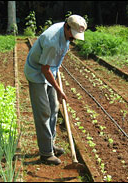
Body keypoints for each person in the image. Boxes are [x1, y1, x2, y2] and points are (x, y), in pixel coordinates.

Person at [24, 15, 87, 165]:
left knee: (54, 107)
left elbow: (53, 64)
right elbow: (44, 69)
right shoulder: (52, 41)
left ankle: (50, 144)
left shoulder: (65, 32)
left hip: (49, 71)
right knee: (44, 112)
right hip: (36, 73)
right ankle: (46, 154)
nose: (74, 39)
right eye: (73, 36)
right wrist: (59, 90)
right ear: (66, 27)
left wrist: (56, 75)